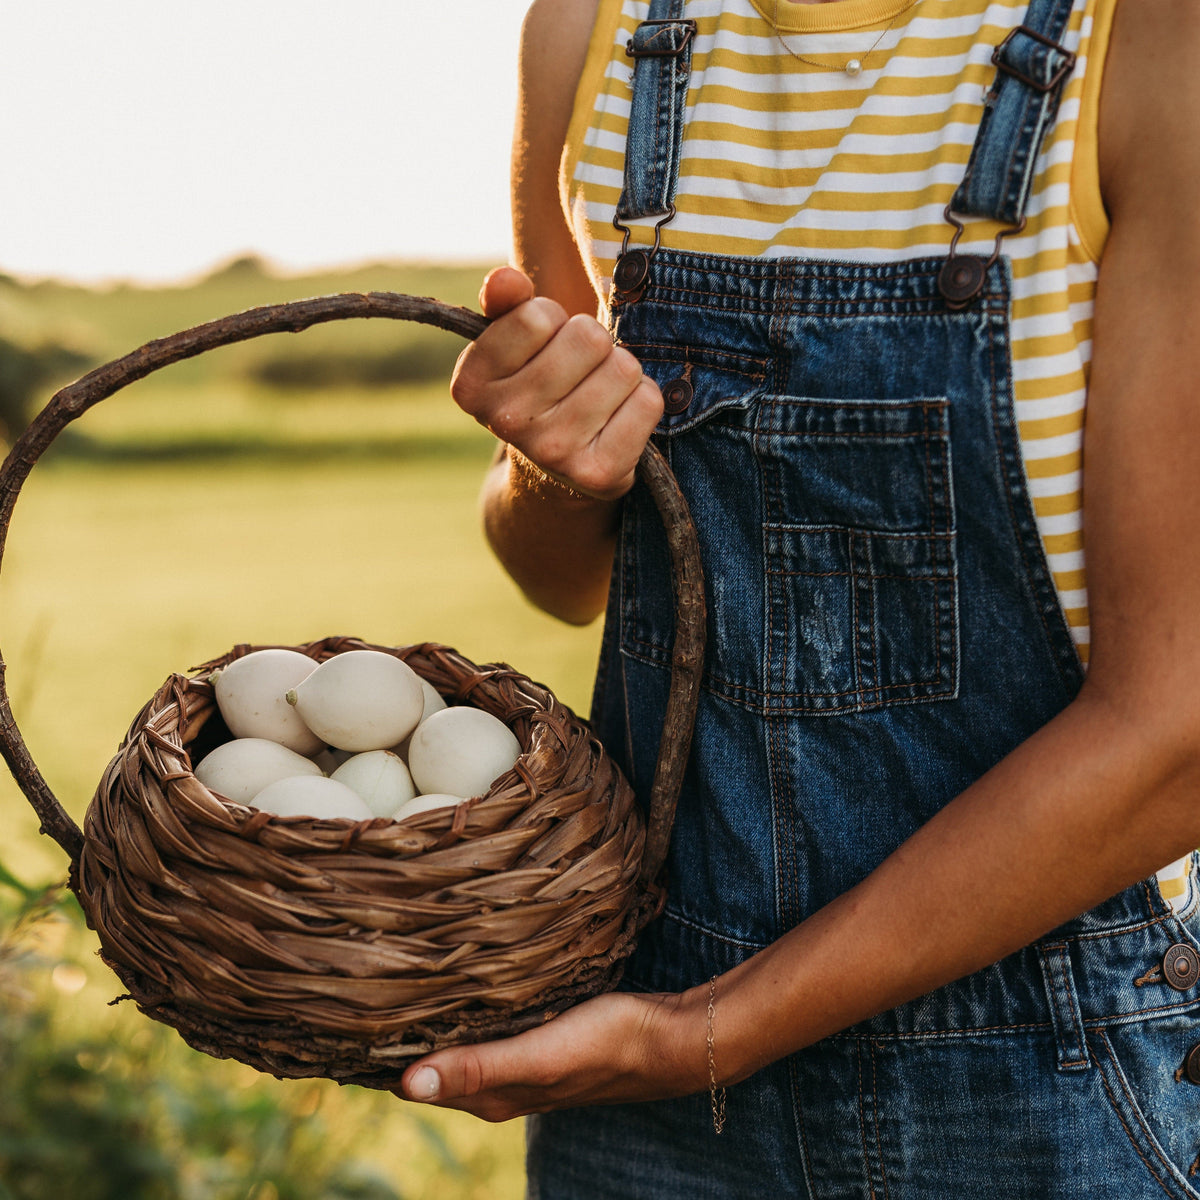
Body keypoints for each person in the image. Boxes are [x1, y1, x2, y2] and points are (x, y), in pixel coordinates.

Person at [399, 0, 1200, 1194]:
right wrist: (552, 470)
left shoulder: (1146, 44)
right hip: (645, 1068)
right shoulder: (594, 35)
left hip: (1048, 1079)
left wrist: (707, 1035)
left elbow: (1173, 730)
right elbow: (565, 578)